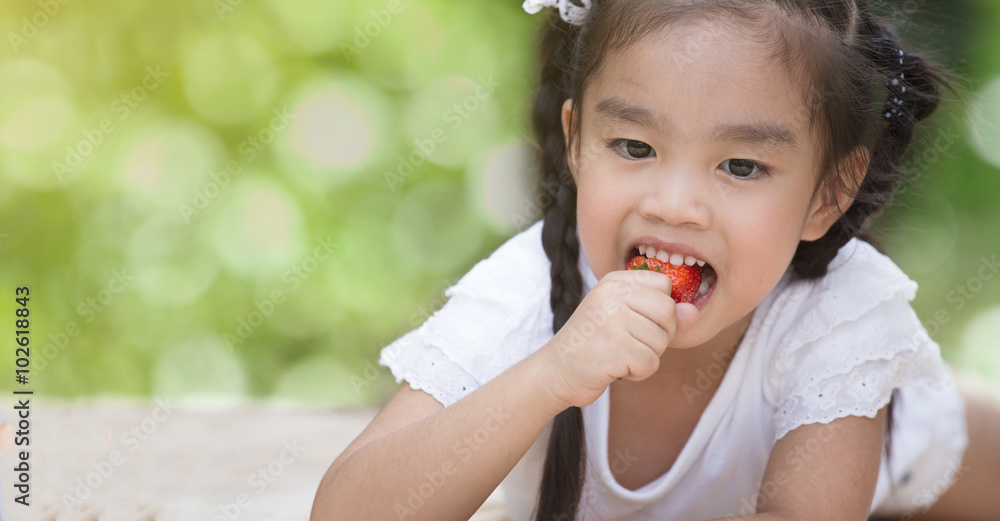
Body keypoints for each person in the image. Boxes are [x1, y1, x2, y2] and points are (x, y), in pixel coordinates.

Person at [311, 1, 1000, 519]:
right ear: (577, 141)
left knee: (966, 446)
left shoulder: (838, 317)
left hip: (894, 441)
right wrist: (549, 374)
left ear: (828, 193)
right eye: (635, 147)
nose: (675, 205)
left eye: (740, 164)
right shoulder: (526, 286)